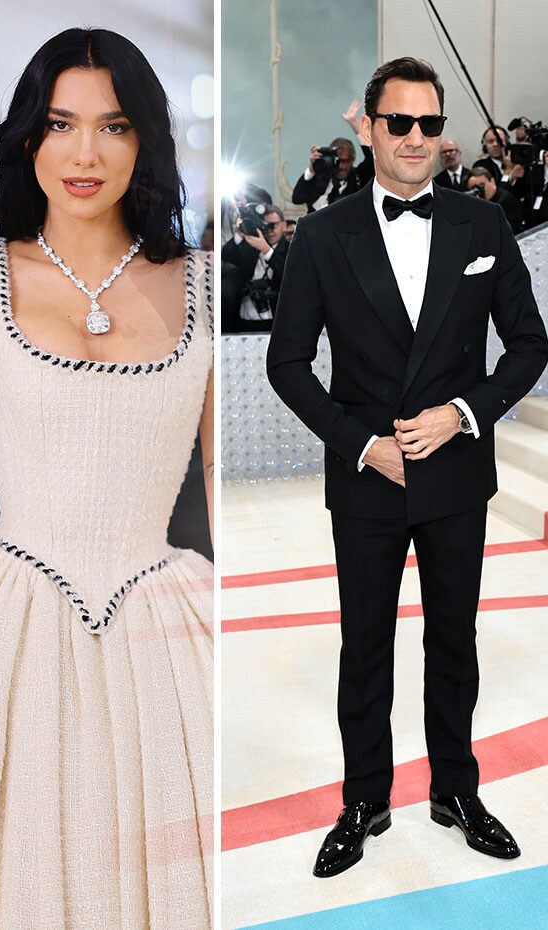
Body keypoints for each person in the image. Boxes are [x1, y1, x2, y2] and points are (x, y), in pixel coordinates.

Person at [0, 28, 214, 930]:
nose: (85, 153)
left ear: (145, 141)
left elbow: (233, 496)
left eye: (113, 126)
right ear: (29, 137)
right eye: (61, 124)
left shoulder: (204, 289)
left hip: (168, 632)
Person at [267, 57, 548, 879]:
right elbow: (289, 365)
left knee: (455, 643)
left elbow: (529, 345)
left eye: (430, 123)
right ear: (371, 129)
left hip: (458, 475)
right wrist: (363, 443)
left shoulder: (482, 227)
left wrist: (461, 416)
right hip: (367, 478)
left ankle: (456, 790)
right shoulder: (322, 235)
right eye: (400, 123)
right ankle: (366, 800)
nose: (417, 138)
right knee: (366, 648)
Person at [292, 102, 375, 213]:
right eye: (337, 161)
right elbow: (297, 198)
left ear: (352, 160)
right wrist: (312, 170)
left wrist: (354, 124)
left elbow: (372, 158)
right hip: (317, 227)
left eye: (345, 161)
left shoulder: (358, 177)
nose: (341, 166)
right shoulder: (321, 177)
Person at [221, 202, 288, 331]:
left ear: (284, 225)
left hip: (277, 319)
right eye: (265, 226)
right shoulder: (250, 246)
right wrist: (240, 234)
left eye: (273, 225)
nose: (270, 230)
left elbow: (290, 274)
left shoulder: (291, 249)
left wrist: (266, 250)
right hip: (245, 317)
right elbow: (227, 257)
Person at [467, 164, 524, 231]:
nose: (480, 190)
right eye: (474, 189)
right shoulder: (475, 206)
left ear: (492, 181)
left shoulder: (507, 200)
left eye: (482, 185)